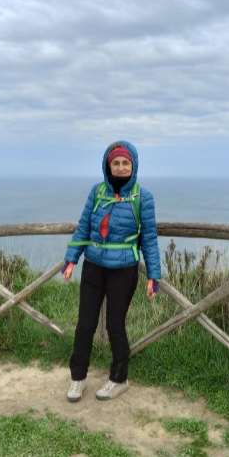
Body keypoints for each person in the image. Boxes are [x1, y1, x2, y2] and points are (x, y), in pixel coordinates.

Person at [61, 140, 161, 402]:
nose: (120, 168)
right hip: (93, 266)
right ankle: (77, 379)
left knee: (116, 325)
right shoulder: (97, 192)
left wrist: (153, 276)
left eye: (125, 163)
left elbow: (149, 239)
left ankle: (119, 378)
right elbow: (83, 228)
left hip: (124, 270)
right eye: (115, 163)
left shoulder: (143, 197)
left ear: (133, 166)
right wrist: (71, 260)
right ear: (107, 165)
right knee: (84, 325)